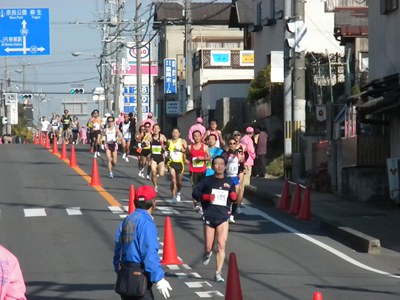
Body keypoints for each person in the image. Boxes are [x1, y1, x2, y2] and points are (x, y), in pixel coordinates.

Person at [113, 186, 172, 300]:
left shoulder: (127, 220)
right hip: (139, 275)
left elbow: (118, 248)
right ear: (153, 203)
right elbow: (149, 253)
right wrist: (159, 278)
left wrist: (119, 269)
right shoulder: (146, 223)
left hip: (125, 274)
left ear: (135, 201)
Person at [192, 156, 237, 283]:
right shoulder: (207, 181)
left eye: (222, 164)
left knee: (221, 245)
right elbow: (195, 193)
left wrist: (234, 196)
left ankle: (218, 273)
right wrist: (205, 197)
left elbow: (233, 197)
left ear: (225, 166)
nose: (219, 166)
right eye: (216, 164)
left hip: (223, 216)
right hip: (209, 215)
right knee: (208, 247)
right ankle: (207, 254)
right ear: (212, 167)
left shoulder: (229, 181)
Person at [185, 131, 211, 212]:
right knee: (195, 187)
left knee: (203, 188)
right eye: (195, 136)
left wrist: (203, 158)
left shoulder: (204, 147)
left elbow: (209, 158)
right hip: (193, 170)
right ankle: (196, 204)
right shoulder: (190, 147)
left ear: (201, 137)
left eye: (198, 136)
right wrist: (185, 160)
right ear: (193, 137)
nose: (197, 138)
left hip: (202, 170)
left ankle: (203, 203)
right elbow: (185, 153)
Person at [221, 138, 244, 224]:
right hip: (227, 177)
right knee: (227, 198)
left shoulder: (239, 156)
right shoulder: (225, 155)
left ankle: (232, 216)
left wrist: (242, 170)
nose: (232, 145)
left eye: (234, 143)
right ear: (228, 145)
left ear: (236, 145)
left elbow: (241, 164)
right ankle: (226, 214)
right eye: (230, 143)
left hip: (235, 178)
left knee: (235, 198)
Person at [167, 127, 187, 204]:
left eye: (176, 132)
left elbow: (187, 151)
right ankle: (173, 196)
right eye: (173, 132)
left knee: (179, 182)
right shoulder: (169, 141)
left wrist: (181, 149)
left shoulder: (182, 141)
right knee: (173, 180)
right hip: (171, 162)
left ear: (179, 134)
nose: (174, 134)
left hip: (180, 163)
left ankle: (178, 192)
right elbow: (166, 148)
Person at [233, 130, 248, 211]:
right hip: (232, 167)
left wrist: (244, 165)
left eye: (238, 135)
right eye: (235, 135)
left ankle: (238, 206)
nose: (237, 136)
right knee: (234, 186)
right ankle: (233, 203)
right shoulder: (231, 146)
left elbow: (247, 154)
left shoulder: (243, 147)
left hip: (240, 166)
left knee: (241, 187)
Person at [150, 124, 168, 193]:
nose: (155, 130)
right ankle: (155, 186)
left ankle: (157, 171)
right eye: (154, 128)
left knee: (161, 174)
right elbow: (144, 142)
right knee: (154, 173)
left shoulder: (162, 137)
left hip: (161, 158)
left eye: (157, 128)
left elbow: (167, 144)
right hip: (153, 158)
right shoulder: (150, 137)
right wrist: (144, 143)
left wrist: (165, 147)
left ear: (159, 130)